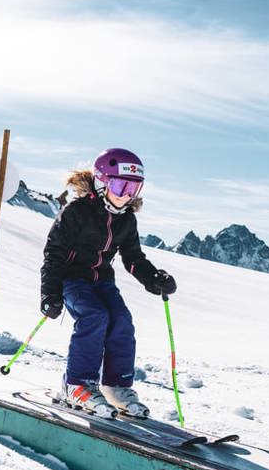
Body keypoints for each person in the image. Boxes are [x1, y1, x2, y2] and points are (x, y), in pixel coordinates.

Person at [40, 148, 177, 418]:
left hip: (102, 281)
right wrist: (50, 294)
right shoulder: (77, 212)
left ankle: (116, 385)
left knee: (122, 320)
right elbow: (53, 253)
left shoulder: (127, 219)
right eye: (121, 185)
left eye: (134, 188)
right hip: (72, 279)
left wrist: (154, 279)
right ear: (102, 182)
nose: (127, 194)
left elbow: (133, 258)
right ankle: (77, 383)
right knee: (95, 316)